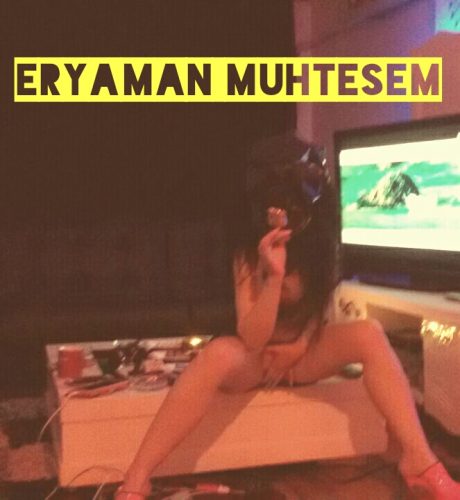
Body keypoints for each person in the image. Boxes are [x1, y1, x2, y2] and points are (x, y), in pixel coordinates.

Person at [116, 133, 460, 500]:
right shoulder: (247, 248)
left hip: (302, 353)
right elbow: (252, 337)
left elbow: (320, 311)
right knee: (215, 355)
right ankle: (136, 479)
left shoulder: (323, 242)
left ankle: (420, 460)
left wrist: (300, 345)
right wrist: (274, 277)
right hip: (256, 357)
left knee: (370, 332)